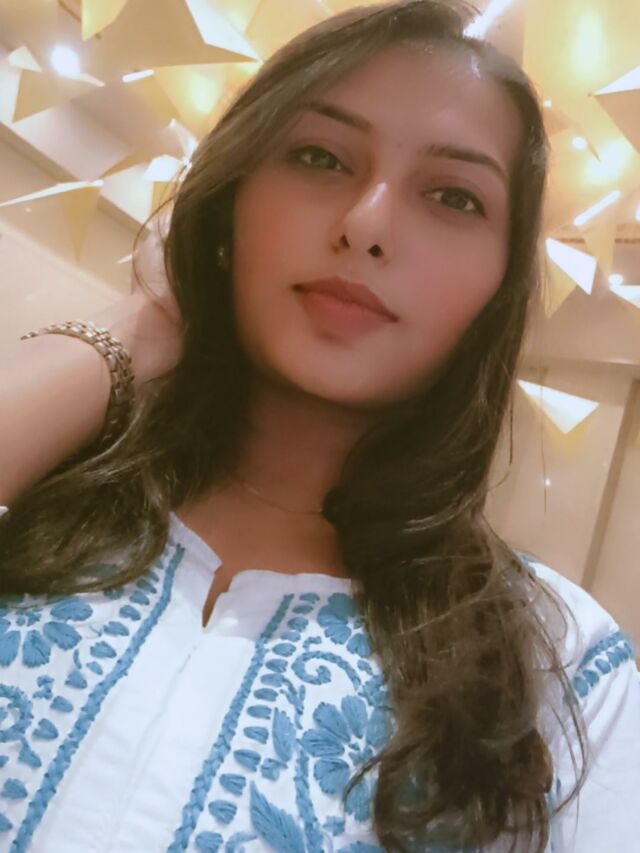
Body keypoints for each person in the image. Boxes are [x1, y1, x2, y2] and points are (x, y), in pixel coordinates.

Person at [0, 1, 638, 850]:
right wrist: (148, 319)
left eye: (454, 197)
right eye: (319, 156)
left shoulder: (560, 663)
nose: (367, 225)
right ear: (232, 197)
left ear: (497, 288)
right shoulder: (39, 484)